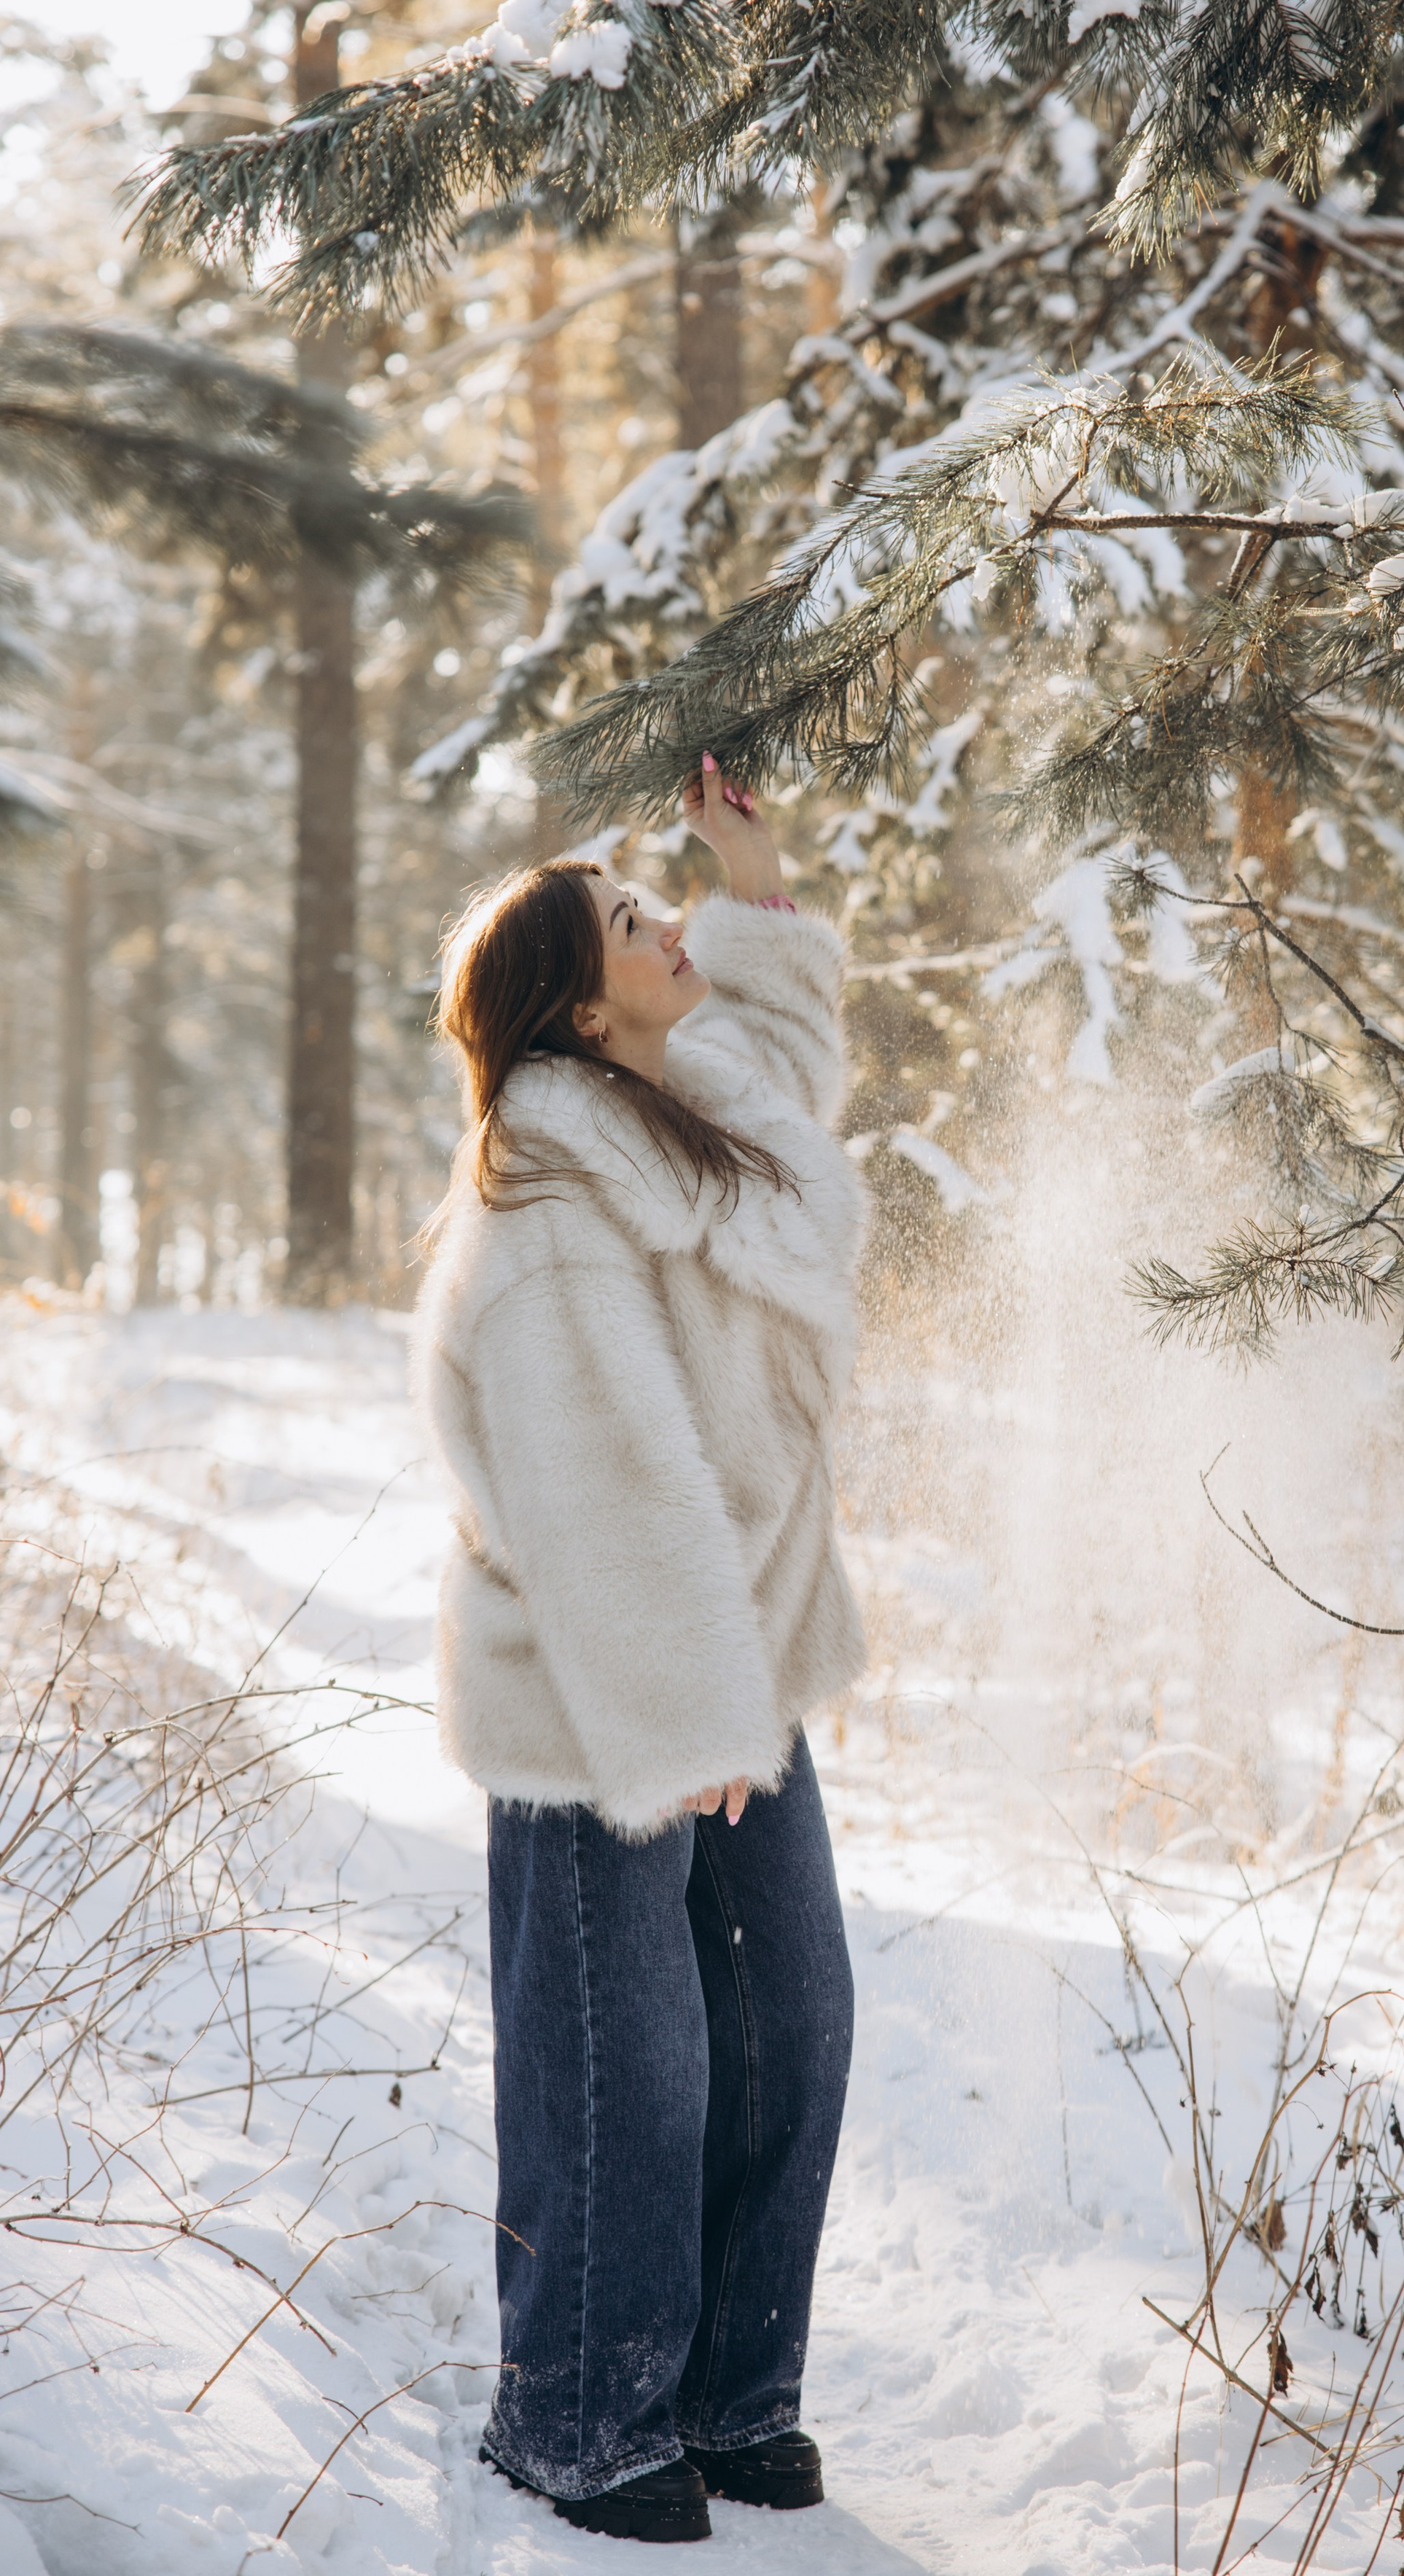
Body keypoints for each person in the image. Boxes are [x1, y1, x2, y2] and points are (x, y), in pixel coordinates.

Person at [413, 757, 867, 2544]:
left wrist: (756, 891)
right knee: (634, 2074)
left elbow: (787, 1099)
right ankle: (577, 2418)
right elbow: (600, 1482)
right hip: (609, 1687)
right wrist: (689, 1717)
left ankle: (729, 2396)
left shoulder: (678, 1106)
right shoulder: (543, 1197)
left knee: (791, 2025)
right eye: (631, 922)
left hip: (728, 1664)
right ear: (580, 1012)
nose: (663, 922)